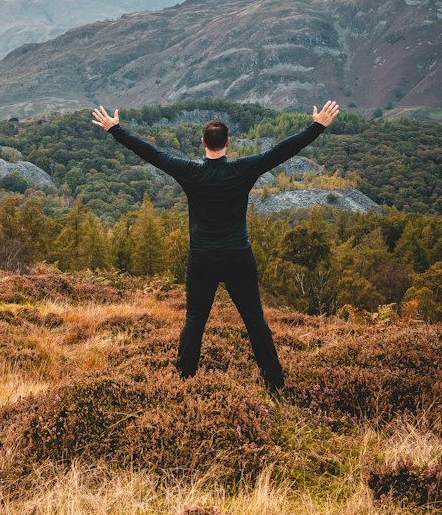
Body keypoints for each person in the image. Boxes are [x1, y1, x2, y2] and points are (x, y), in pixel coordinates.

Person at [91, 100, 340, 392]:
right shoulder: (242, 170)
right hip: (238, 256)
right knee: (255, 322)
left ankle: (184, 381)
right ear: (228, 143)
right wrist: (317, 127)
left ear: (202, 143)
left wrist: (115, 130)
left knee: (195, 320)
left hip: (202, 259)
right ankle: (275, 384)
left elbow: (152, 154)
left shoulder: (191, 173)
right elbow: (281, 151)